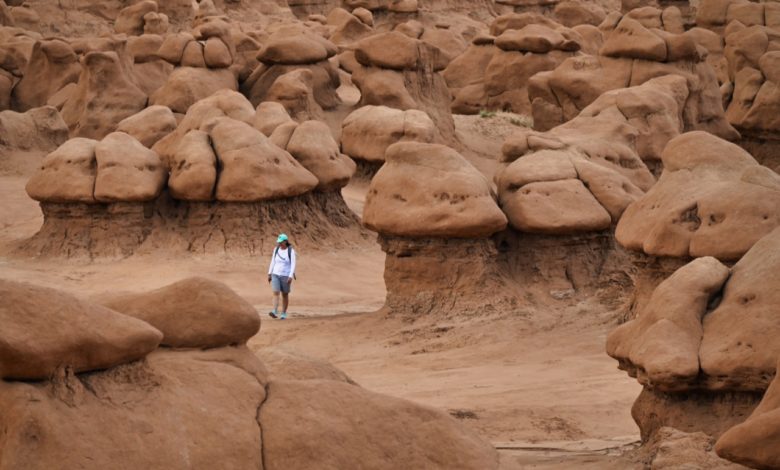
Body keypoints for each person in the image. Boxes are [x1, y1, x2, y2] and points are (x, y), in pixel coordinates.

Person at [267, 233, 296, 320]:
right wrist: (269, 273)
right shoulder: (276, 250)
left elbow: (293, 264)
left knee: (285, 294)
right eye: (278, 242)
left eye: (281, 242)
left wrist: (290, 276)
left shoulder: (290, 251)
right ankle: (274, 311)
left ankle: (283, 313)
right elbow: (273, 261)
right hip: (275, 274)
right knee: (275, 292)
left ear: (285, 241)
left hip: (285, 275)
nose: (279, 244)